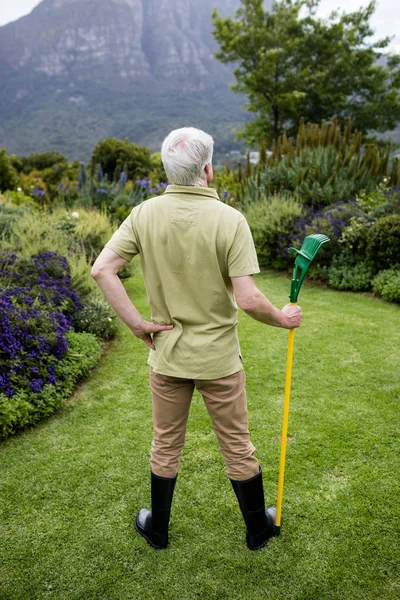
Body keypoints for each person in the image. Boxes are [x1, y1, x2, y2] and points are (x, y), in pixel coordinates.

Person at [90, 127, 302, 551]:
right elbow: (248, 299)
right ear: (208, 169)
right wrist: (283, 318)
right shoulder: (230, 220)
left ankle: (158, 530)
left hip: (167, 357)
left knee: (165, 444)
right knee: (238, 446)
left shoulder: (144, 213)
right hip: (219, 361)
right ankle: (258, 530)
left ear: (168, 169)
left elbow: (102, 270)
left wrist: (137, 324)